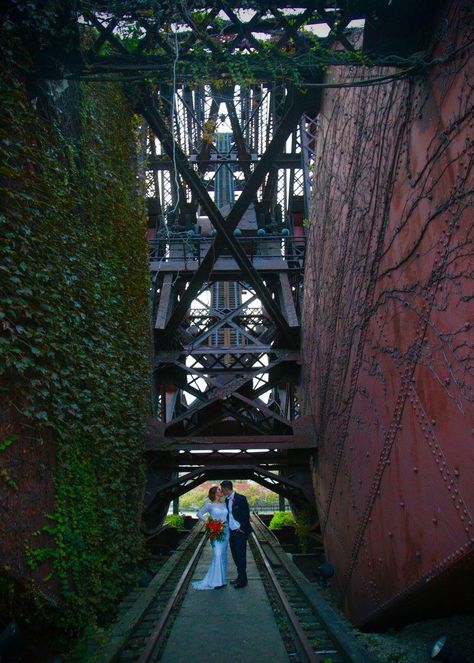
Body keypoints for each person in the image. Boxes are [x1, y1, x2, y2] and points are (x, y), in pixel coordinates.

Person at [192, 485, 229, 590]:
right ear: (214, 493)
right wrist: (209, 523)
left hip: (226, 532)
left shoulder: (225, 504)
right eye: (218, 489)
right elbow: (199, 514)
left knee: (223, 555)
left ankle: (222, 580)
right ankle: (216, 582)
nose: (221, 490)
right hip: (215, 532)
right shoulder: (209, 505)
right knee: (217, 554)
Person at [220, 480, 251, 588]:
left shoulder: (241, 498)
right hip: (231, 531)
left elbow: (246, 514)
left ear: (226, 488)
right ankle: (240, 577)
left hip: (240, 532)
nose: (221, 491)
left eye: (222, 489)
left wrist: (242, 528)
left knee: (241, 555)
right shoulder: (226, 500)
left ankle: (243, 580)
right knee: (235, 555)